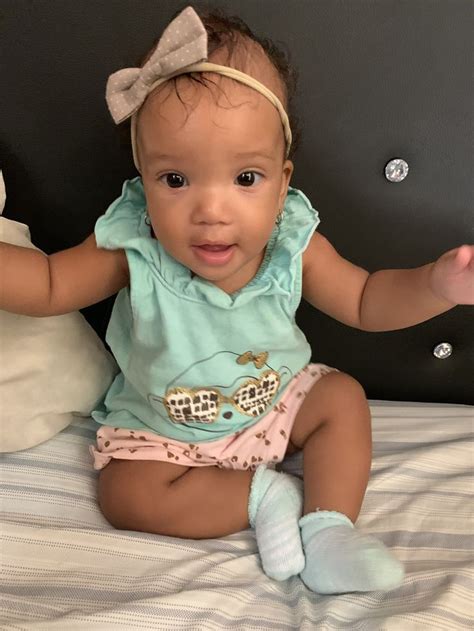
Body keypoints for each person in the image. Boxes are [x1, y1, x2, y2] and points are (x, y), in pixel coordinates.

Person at [1, 4, 472, 595]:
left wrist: (436, 286)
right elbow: (46, 285)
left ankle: (328, 531)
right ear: (143, 181)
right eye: (176, 180)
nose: (212, 212)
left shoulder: (290, 241)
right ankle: (265, 495)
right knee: (124, 497)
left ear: (282, 182)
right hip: (166, 430)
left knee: (343, 399)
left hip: (275, 402)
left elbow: (366, 300)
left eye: (245, 178)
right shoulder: (132, 244)